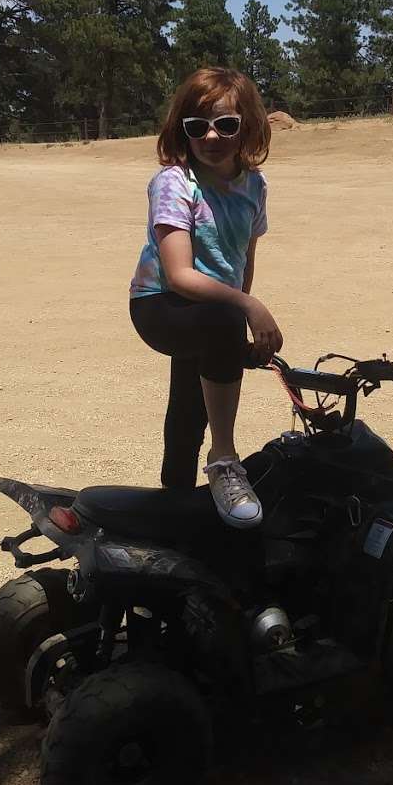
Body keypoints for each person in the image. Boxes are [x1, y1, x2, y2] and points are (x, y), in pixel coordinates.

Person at [129, 67, 283, 528]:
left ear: (248, 126)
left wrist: (242, 316)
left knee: (189, 405)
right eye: (197, 127)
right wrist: (246, 309)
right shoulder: (175, 182)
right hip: (160, 305)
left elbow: (242, 261)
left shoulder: (254, 185)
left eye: (226, 125)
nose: (211, 136)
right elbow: (178, 275)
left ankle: (172, 510)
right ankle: (225, 460)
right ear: (182, 130)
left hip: (214, 308)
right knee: (219, 324)